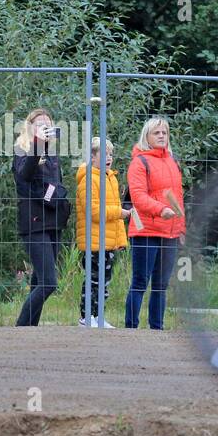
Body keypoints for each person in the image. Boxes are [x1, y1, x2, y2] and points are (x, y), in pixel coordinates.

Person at [124, 117, 185, 330]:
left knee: (161, 286)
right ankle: (130, 328)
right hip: (146, 232)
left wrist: (181, 227)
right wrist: (161, 210)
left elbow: (178, 197)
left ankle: (156, 329)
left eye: (164, 133)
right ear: (146, 137)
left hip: (170, 233)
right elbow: (138, 197)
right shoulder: (139, 163)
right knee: (140, 282)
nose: (161, 136)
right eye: (156, 133)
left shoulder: (172, 160)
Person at [13, 108, 72, 326]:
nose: (45, 127)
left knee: (38, 280)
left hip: (53, 223)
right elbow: (24, 177)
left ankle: (30, 329)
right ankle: (20, 327)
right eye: (39, 124)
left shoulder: (52, 154)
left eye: (48, 124)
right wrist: (37, 144)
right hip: (34, 223)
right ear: (29, 128)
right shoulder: (22, 150)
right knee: (49, 283)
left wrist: (61, 199)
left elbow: (55, 185)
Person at [75, 136, 129, 328]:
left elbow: (112, 210)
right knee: (93, 281)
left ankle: (98, 317)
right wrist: (120, 214)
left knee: (104, 283)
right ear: (92, 156)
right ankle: (86, 317)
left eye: (111, 154)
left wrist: (120, 240)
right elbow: (94, 212)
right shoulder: (88, 180)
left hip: (108, 241)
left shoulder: (110, 178)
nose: (109, 158)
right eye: (104, 154)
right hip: (94, 241)